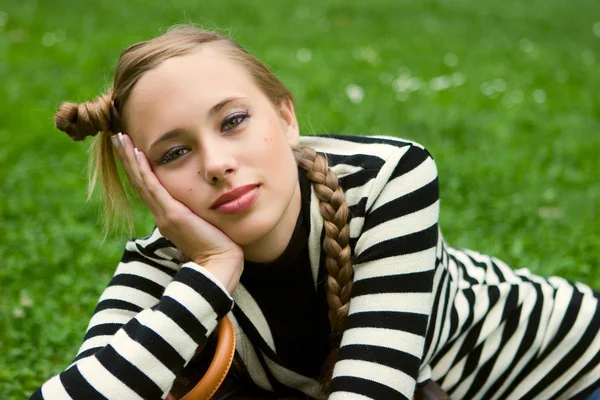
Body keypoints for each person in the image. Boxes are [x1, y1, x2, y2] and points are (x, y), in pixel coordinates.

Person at [31, 26, 599, 400]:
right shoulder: (163, 266)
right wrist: (207, 273)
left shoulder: (386, 180)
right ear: (145, 177)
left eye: (233, 121)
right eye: (174, 152)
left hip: (568, 373)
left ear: (285, 116)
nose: (216, 163)